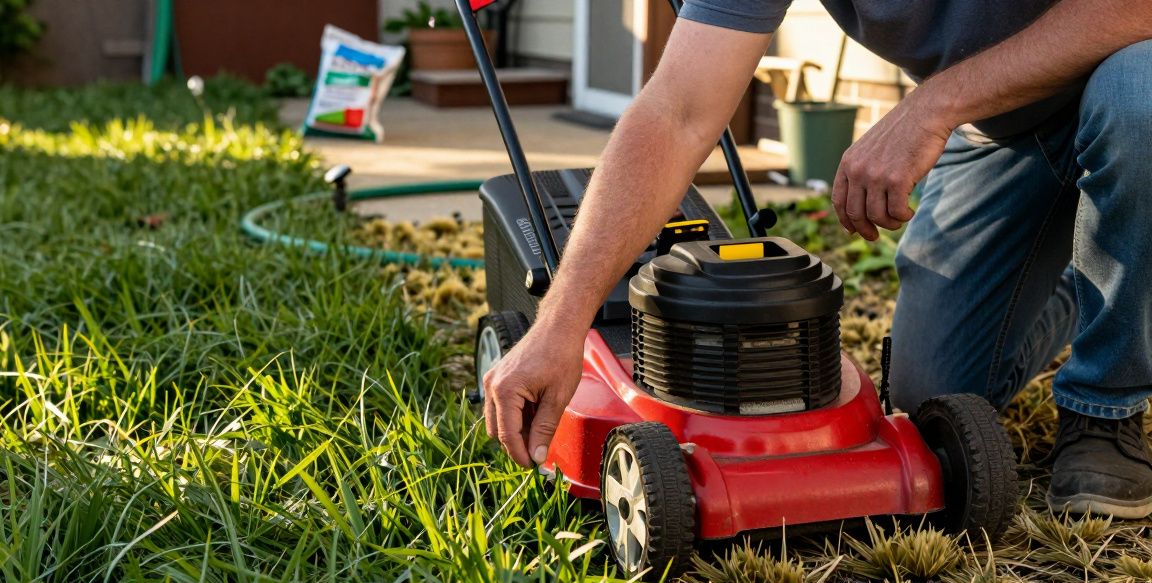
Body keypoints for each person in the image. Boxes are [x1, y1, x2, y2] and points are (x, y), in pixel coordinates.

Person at [480, 1, 1152, 518]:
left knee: (1137, 100)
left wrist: (932, 104)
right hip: (997, 133)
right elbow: (677, 111)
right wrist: (562, 320)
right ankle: (1102, 266)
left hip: (1128, 75)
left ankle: (1105, 410)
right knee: (929, 404)